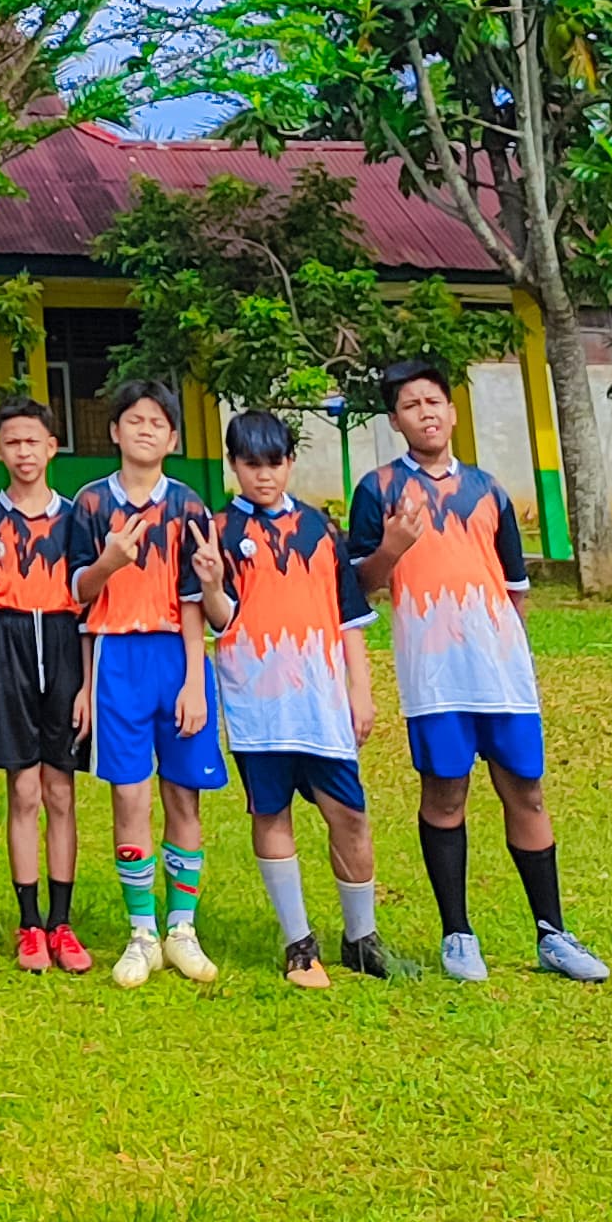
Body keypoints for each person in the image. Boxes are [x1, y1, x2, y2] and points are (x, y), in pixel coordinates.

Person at [350, 359, 609, 985]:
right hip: (433, 675)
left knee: (527, 789)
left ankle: (552, 932)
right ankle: (457, 933)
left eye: (435, 401)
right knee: (446, 793)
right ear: (395, 421)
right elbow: (358, 587)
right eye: (412, 405)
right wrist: (392, 546)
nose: (427, 413)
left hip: (501, 674)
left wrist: (512, 656)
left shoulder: (489, 489)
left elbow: (515, 589)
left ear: (453, 411)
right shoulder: (377, 489)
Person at [200, 409, 391, 987]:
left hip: (322, 704)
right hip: (258, 707)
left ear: (289, 462)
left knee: (350, 817)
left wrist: (361, 690)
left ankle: (361, 936)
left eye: (274, 463)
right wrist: (211, 583)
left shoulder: (320, 530)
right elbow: (219, 620)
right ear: (234, 465)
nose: (264, 476)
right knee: (271, 813)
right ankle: (298, 942)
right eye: (251, 464)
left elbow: (349, 619)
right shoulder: (219, 531)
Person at [64, 374, 224, 987]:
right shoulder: (90, 504)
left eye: (158, 422)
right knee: (129, 795)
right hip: (115, 659)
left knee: (182, 794)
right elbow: (76, 594)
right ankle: (142, 935)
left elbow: (193, 599)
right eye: (135, 420)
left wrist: (193, 680)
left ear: (173, 437)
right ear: (114, 430)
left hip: (175, 658)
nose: (146, 430)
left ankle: (182, 927)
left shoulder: (187, 506)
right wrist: (110, 560)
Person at [0, 390, 90, 972]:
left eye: (32, 441)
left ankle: (62, 924)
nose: (23, 452)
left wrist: (87, 683)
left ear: (52, 447)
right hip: (10, 644)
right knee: (23, 790)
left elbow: (91, 603)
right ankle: (28, 923)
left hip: (64, 645)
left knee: (61, 790)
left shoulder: (76, 518)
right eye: (11, 442)